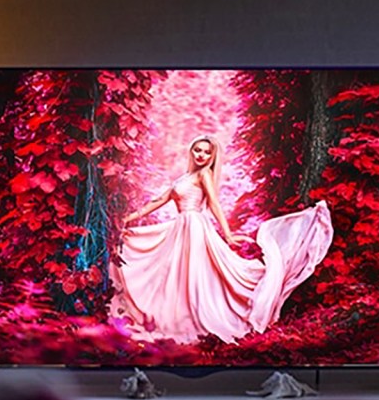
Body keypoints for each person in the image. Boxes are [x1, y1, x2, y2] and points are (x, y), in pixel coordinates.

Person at [111, 135, 334, 344]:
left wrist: (227, 233)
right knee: (177, 274)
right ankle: (181, 317)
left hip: (196, 227)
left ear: (212, 156)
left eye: (206, 153)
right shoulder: (184, 178)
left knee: (197, 274)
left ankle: (200, 317)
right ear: (191, 152)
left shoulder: (203, 175)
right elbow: (158, 201)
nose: (201, 155)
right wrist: (127, 219)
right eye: (197, 150)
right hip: (180, 228)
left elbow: (214, 203)